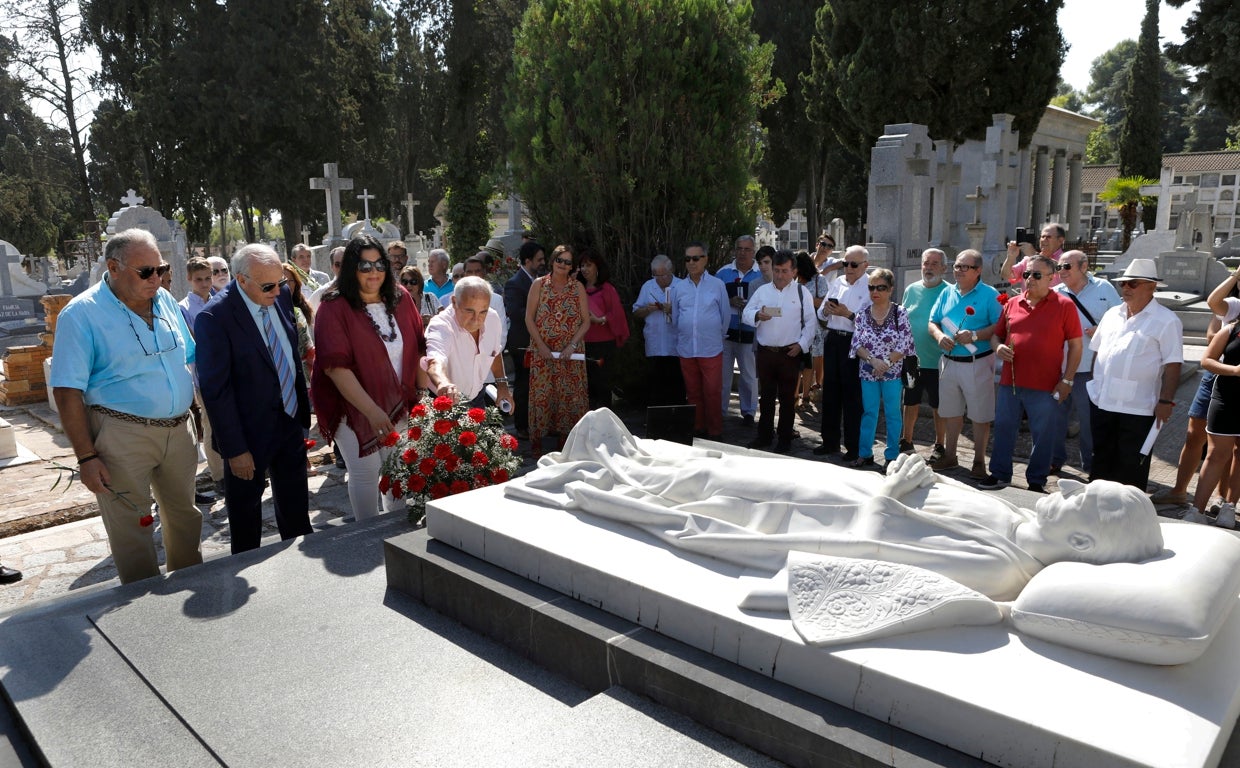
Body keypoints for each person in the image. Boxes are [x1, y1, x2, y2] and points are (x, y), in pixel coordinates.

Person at [508, 410, 1165, 603]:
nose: (1068, 490)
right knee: (727, 469)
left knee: (719, 486)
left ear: (1082, 546)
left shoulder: (999, 568)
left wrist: (893, 493)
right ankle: (636, 458)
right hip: (843, 492)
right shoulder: (1018, 524)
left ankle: (618, 468)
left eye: (1082, 502)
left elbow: (878, 556)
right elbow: (926, 497)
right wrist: (907, 473)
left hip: (822, 515)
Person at [50, 228, 203, 584]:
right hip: (121, 435)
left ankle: (190, 587)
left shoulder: (165, 301)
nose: (156, 279)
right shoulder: (81, 314)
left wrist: (195, 414)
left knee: (185, 516)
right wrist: (86, 457)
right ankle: (140, 608)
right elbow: (67, 391)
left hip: (179, 430)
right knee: (132, 527)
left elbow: (186, 360)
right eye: (146, 271)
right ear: (114, 268)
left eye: (161, 269)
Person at [195, 244, 314, 554]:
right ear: (241, 280)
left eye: (281, 282)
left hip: (289, 423)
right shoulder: (214, 317)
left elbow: (288, 354)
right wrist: (235, 449)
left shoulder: (280, 294)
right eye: (268, 286)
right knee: (247, 528)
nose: (277, 290)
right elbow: (216, 390)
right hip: (247, 436)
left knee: (297, 517)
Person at [312, 234, 427, 520]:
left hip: (398, 400)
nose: (373, 272)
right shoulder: (333, 307)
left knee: (396, 467)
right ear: (352, 268)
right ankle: (366, 534)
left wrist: (422, 395)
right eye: (364, 266)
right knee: (366, 470)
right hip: (351, 405)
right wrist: (373, 411)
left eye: (379, 265)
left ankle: (395, 528)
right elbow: (335, 368)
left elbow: (418, 347)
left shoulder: (401, 298)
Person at [981, 255, 1082, 493]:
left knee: (1043, 435)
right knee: (1003, 428)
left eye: (1036, 275)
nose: (1030, 279)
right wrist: (998, 347)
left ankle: (1036, 480)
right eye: (1027, 274)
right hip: (1011, 382)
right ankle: (999, 474)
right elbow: (996, 336)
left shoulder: (1065, 305)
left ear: (1051, 278)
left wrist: (1067, 380)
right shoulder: (1012, 303)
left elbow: (1076, 346)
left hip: (1046, 384)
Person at [1088, 259, 1183, 491]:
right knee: (1100, 462)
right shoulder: (1112, 314)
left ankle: (1128, 512)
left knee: (1131, 470)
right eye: (1123, 284)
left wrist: (1165, 401)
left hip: (1139, 408)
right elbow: (1097, 352)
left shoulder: (1167, 320)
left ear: (1152, 287)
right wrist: (1094, 386)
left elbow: (1173, 364)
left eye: (1133, 283)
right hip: (1103, 403)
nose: (1126, 288)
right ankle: (1097, 508)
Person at [1154, 273, 1240, 513]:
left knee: (1231, 445)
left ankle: (1223, 499)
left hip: (1231, 380)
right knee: (1195, 435)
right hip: (1217, 376)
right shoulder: (1234, 305)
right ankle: (1179, 491)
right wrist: (1235, 274)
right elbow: (1213, 304)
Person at [927, 249, 1001, 479]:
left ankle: (979, 461)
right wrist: (939, 336)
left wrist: (976, 335)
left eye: (964, 267)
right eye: (957, 266)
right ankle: (950, 455)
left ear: (978, 270)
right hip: (948, 361)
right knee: (951, 412)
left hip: (976, 362)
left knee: (980, 415)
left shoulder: (990, 295)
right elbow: (933, 321)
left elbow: (1000, 327)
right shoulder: (947, 292)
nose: (958, 270)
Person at [1050, 250, 1120, 475]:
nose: (1061, 271)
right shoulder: (1054, 293)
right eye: (1059, 267)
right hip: (1059, 369)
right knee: (1055, 418)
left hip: (1090, 369)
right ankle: (1053, 460)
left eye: (1067, 266)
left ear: (1083, 267)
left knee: (1089, 421)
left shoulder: (1104, 289)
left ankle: (1091, 467)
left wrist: (1103, 330)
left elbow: (1123, 320)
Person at [741, 250, 815, 454]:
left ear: (794, 271)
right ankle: (764, 436)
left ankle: (784, 438)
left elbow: (811, 322)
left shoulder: (802, 292)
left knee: (787, 399)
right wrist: (757, 315)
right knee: (766, 397)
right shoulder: (762, 291)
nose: (780, 275)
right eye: (776, 270)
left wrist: (801, 345)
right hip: (766, 352)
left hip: (789, 354)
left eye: (784, 271)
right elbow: (746, 313)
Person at [526, 244, 590, 457]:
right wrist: (541, 346)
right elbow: (529, 318)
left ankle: (566, 439)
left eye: (567, 262)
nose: (562, 264)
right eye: (559, 260)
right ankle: (537, 440)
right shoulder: (539, 284)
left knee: (569, 396)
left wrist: (572, 345)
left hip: (571, 354)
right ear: (552, 261)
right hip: (543, 352)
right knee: (542, 395)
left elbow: (586, 321)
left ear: (572, 266)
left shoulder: (577, 287)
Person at [850, 267, 915, 467]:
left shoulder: (899, 313)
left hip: (892, 373)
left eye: (881, 287)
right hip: (868, 372)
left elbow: (905, 343)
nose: (875, 291)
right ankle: (865, 453)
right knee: (869, 412)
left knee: (893, 414)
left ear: (890, 289)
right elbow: (856, 344)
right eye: (871, 287)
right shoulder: (862, 314)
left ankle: (892, 456)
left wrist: (885, 363)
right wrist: (873, 361)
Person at [813, 246, 871, 461]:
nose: (848, 268)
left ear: (865, 265)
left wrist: (849, 314)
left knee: (852, 396)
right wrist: (826, 310)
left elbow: (871, 322)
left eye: (854, 264)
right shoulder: (838, 282)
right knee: (830, 392)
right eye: (846, 263)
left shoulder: (870, 286)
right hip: (833, 339)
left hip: (854, 342)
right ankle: (829, 441)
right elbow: (821, 313)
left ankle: (853, 446)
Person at [423, 276, 511, 410]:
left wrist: (502, 385)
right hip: (445, 402)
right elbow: (435, 361)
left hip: (478, 397)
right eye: (469, 311)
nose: (476, 319)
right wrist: (443, 383)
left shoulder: (492, 318)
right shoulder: (441, 326)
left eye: (483, 312)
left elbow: (494, 352)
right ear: (454, 302)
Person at [672, 242, 730, 439]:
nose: (691, 262)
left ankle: (715, 431)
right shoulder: (679, 287)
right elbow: (676, 317)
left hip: (711, 348)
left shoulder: (717, 285)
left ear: (705, 260)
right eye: (687, 259)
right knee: (692, 391)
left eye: (695, 258)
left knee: (713, 391)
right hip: (687, 348)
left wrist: (715, 335)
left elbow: (725, 315)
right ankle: (697, 427)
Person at [1190, 298, 1240, 528]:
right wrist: (1235, 370)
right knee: (1216, 455)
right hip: (1226, 399)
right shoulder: (1231, 328)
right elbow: (1207, 360)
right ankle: (1196, 510)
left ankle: (1229, 508)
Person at [179, 257, 224, 496]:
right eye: (199, 279)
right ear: (189, 279)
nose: (205, 283)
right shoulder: (184, 308)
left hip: (229, 370)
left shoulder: (220, 300)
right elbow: (193, 343)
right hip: (204, 375)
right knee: (211, 425)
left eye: (208, 278)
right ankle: (219, 475)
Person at [899, 248, 950, 458]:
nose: (928, 268)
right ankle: (906, 441)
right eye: (926, 263)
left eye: (934, 264)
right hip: (913, 359)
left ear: (944, 268)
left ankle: (939, 445)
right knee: (910, 402)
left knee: (939, 405)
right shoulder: (911, 289)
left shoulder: (950, 292)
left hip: (939, 360)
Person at [717, 235, 762, 425]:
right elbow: (714, 300)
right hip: (727, 332)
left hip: (750, 332)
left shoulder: (760, 274)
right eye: (739, 248)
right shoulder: (723, 273)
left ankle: (749, 412)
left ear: (753, 251)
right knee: (723, 376)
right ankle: (720, 411)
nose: (743, 253)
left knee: (749, 375)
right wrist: (729, 301)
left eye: (747, 249)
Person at [578, 249, 629, 410]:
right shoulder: (577, 289)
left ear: (597, 267)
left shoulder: (607, 289)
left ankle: (605, 420)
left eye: (588, 265)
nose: (584, 269)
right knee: (588, 388)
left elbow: (617, 313)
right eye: (582, 265)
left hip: (604, 345)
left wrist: (601, 320)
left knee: (603, 385)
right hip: (583, 344)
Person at [632, 255, 685, 407]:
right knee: (655, 385)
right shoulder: (648, 286)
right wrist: (648, 309)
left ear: (671, 270)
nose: (660, 279)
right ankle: (656, 417)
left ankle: (676, 415)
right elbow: (636, 312)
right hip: (654, 344)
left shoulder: (681, 286)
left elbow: (690, 315)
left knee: (676, 385)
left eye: (663, 275)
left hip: (676, 346)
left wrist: (673, 310)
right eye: (656, 275)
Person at [504, 241, 544, 440]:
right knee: (523, 385)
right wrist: (542, 314)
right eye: (539, 260)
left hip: (539, 341)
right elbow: (515, 312)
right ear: (528, 261)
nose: (542, 263)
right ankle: (521, 426)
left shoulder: (541, 281)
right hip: (522, 342)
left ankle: (538, 422)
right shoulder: (515, 283)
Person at [794, 251, 829, 411]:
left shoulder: (819, 280)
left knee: (809, 363)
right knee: (797, 364)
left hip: (815, 328)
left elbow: (825, 303)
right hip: (796, 327)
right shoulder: (793, 280)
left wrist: (806, 298)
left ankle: (806, 396)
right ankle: (795, 395)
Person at [281, 262, 316, 385]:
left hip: (310, 370)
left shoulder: (304, 308)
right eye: (283, 281)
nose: (287, 285)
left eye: (290, 280)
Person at [1000, 223, 1066, 287]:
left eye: (1048, 237)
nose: (1044, 240)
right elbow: (1006, 276)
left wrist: (1034, 255)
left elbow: (1062, 269)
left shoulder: (1066, 258)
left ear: (1060, 240)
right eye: (1042, 237)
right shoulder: (1028, 259)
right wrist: (1010, 257)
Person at [309, 246, 346, 311]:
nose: (342, 268)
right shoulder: (320, 294)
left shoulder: (363, 290)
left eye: (346, 263)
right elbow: (310, 315)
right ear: (332, 267)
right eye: (337, 264)